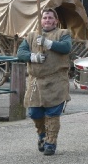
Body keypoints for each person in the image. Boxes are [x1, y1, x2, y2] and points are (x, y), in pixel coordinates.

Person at [16, 8, 72, 156]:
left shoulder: (63, 34)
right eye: (45, 18)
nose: (47, 20)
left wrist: (49, 43)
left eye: (50, 18)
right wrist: (33, 57)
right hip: (36, 81)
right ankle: (42, 135)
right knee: (34, 112)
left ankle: (50, 143)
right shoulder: (32, 36)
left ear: (56, 21)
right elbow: (20, 53)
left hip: (56, 80)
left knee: (53, 113)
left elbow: (66, 48)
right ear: (41, 21)